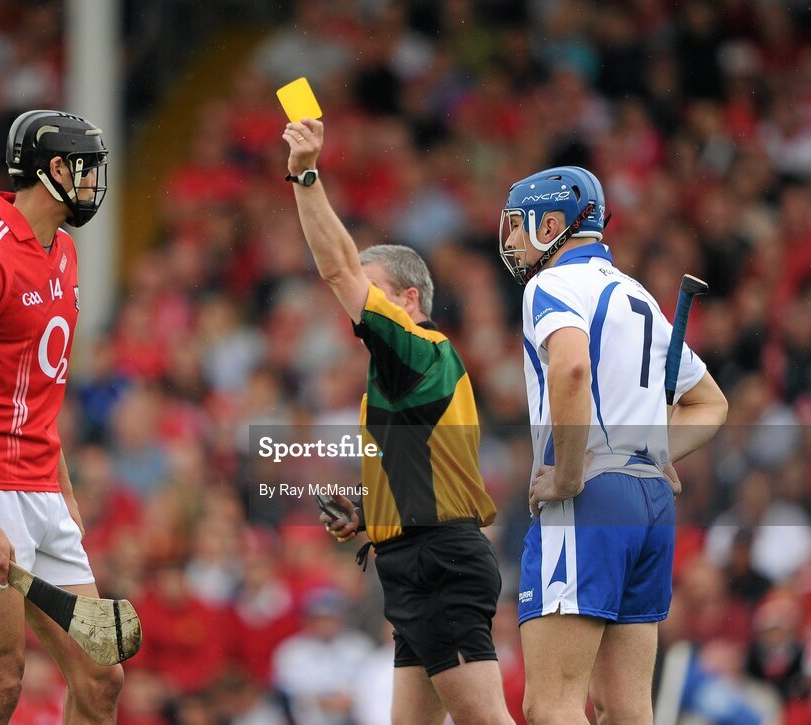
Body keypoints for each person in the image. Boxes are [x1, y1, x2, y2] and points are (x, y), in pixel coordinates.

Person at [282, 118, 514, 725]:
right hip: (416, 558)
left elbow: (336, 270)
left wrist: (305, 175)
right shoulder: (399, 372)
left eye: (373, 287)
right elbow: (424, 469)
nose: (355, 299)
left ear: (408, 299)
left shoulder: (414, 346)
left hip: (437, 558)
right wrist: (368, 514)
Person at [498, 166, 729, 724]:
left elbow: (571, 367)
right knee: (627, 710)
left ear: (550, 224)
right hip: (650, 503)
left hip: (590, 499)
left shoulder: (549, 285)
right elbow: (711, 404)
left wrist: (570, 473)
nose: (507, 241)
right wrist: (658, 451)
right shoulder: (639, 294)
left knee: (550, 706)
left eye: (514, 226)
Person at [0, 109, 123, 724]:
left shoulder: (64, 253)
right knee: (1, 682)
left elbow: (36, 386)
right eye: (86, 171)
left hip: (41, 485)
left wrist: (60, 489)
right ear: (53, 169)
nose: (93, 185)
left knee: (101, 675)